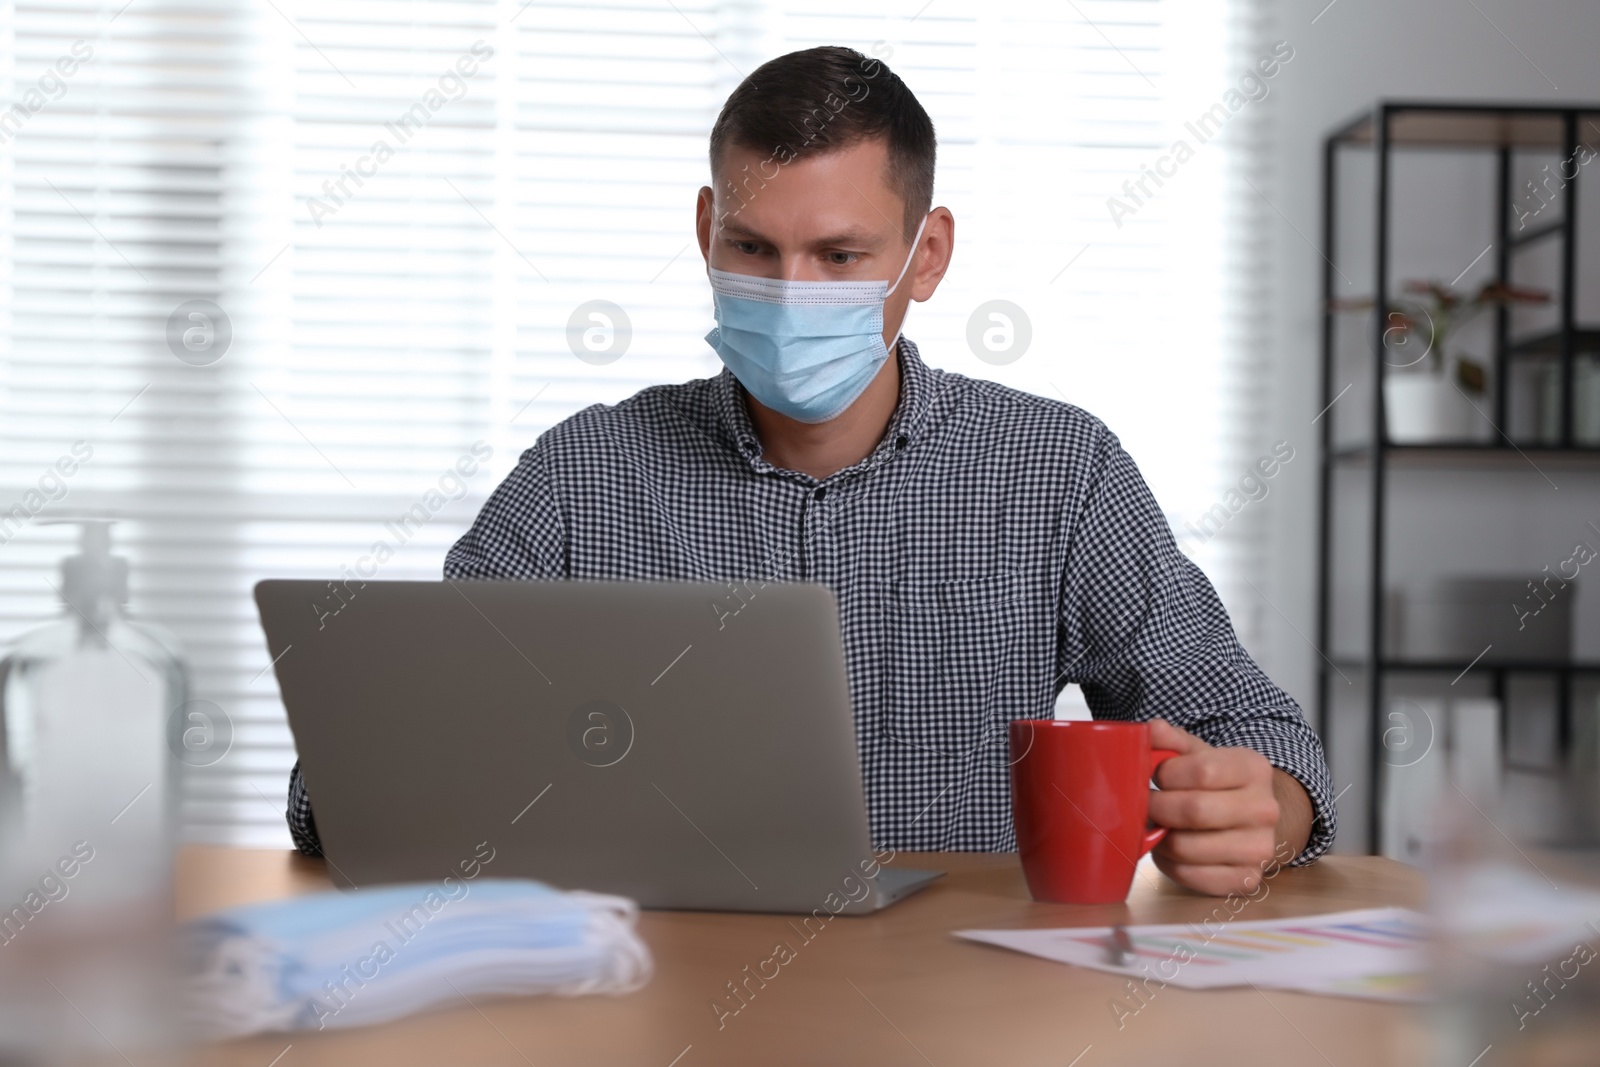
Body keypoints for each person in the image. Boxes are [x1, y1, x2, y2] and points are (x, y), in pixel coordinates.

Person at [287, 45, 1332, 897]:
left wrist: (1259, 810)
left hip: (964, 1002)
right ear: (705, 232)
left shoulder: (1058, 470)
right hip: (649, 994)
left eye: (838, 257)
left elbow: (1258, 732)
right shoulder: (580, 475)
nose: (790, 295)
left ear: (926, 257)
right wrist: (383, 781)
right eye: (751, 248)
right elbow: (364, 766)